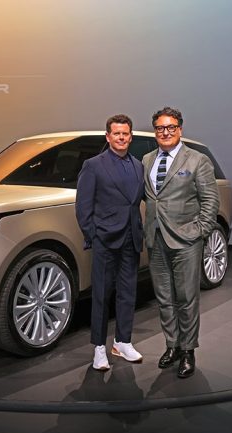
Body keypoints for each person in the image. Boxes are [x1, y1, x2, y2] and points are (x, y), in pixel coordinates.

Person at [142, 107, 220, 378]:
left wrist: (200, 231)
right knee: (164, 298)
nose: (165, 132)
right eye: (160, 128)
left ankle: (188, 350)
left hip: (186, 240)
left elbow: (210, 200)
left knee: (186, 298)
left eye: (171, 127)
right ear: (155, 131)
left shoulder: (197, 160)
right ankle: (172, 345)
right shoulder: (147, 160)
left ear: (180, 129)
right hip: (155, 238)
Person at [76, 114, 145, 371]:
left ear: (131, 136)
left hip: (131, 238)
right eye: (117, 133)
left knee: (128, 293)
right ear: (108, 136)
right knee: (101, 296)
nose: (121, 138)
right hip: (105, 239)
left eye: (125, 134)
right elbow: (83, 206)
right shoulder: (93, 165)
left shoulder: (138, 166)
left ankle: (122, 342)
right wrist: (93, 235)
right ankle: (98, 348)